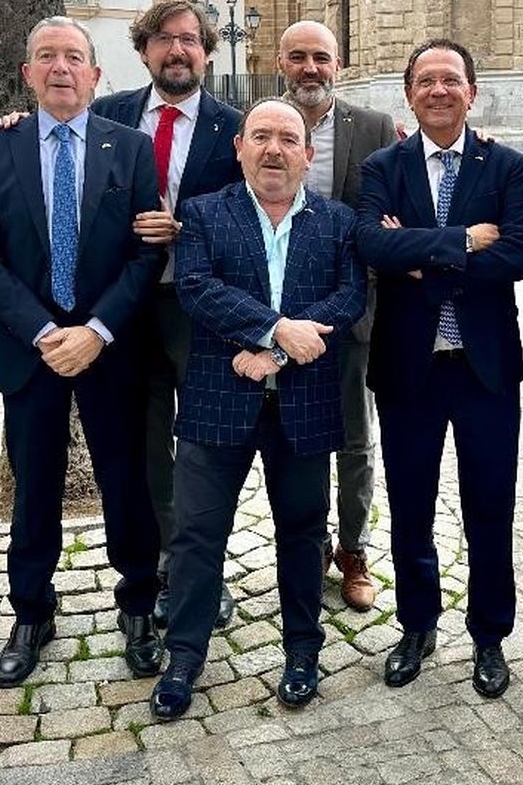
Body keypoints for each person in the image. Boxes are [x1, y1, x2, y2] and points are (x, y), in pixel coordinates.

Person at [0, 18, 164, 688]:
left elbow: (145, 253)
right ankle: (31, 612)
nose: (60, 68)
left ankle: (139, 604)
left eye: (74, 57)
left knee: (126, 483)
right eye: (46, 56)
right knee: (34, 486)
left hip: (111, 348)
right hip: (33, 350)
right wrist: (46, 333)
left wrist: (96, 331)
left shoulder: (130, 148)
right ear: (27, 73)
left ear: (95, 75)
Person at [148, 100, 366, 719]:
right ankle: (184, 657)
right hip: (217, 401)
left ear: (308, 154)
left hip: (303, 404)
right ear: (240, 147)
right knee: (197, 535)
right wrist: (275, 329)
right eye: (262, 136)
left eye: (288, 139)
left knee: (303, 533)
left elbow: (348, 296)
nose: (274, 149)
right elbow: (197, 288)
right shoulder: (204, 213)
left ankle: (302, 651)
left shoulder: (338, 222)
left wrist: (275, 353)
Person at [355, 39, 523, 698]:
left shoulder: (506, 166)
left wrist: (417, 255)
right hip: (410, 368)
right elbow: (371, 244)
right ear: (409, 94)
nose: (439, 90)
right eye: (426, 80)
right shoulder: (383, 166)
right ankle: (417, 625)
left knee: (490, 505)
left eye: (451, 80)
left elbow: (518, 253)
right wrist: (462, 241)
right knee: (411, 506)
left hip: (485, 369)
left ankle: (490, 635)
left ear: (471, 92)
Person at [95, 0, 243, 631]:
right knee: (146, 441)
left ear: (206, 51)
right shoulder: (107, 114)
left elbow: (247, 213)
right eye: (163, 38)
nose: (177, 50)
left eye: (189, 39)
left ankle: (204, 569)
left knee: (205, 444)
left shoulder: (233, 127)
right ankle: (159, 563)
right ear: (144, 50)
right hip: (126, 308)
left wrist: (188, 231)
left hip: (199, 309)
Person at [276, 20, 398, 610]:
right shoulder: (262, 124)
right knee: (295, 441)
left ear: (338, 64)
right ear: (281, 63)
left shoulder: (374, 127)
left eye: (321, 58)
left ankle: (354, 550)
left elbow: (396, 196)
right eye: (298, 57)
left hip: (353, 313)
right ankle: (308, 546)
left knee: (354, 439)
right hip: (278, 315)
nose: (310, 68)